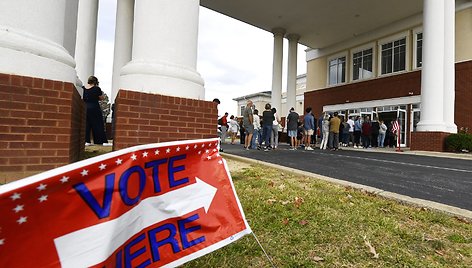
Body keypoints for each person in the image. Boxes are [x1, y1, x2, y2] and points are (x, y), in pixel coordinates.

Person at [83, 76, 110, 146]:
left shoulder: (83, 88)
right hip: (94, 107)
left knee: (87, 124)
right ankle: (100, 141)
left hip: (86, 107)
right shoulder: (96, 88)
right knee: (98, 124)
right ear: (95, 82)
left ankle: (87, 141)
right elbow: (102, 98)